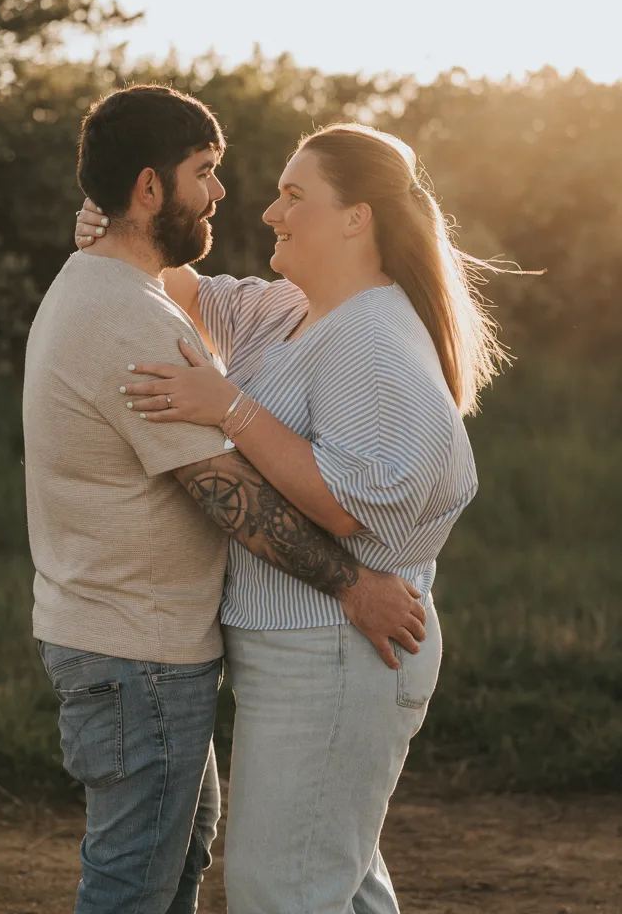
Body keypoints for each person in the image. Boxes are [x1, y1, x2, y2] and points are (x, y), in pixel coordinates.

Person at [75, 122, 504, 913]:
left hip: (338, 655)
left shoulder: (372, 338)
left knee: (284, 891)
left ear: (357, 217)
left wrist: (231, 407)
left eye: (293, 195)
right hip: (308, 651)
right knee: (332, 882)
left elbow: (350, 503)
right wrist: (116, 229)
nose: (270, 212)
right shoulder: (293, 311)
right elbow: (182, 290)